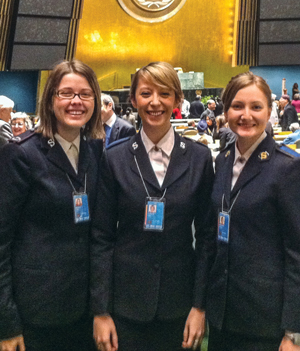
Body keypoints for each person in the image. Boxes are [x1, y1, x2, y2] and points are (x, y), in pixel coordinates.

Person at [91, 61, 215, 351]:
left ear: (177, 99)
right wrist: (101, 310)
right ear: (133, 100)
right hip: (126, 305)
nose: (155, 102)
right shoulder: (115, 158)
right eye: (146, 93)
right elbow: (101, 237)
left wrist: (200, 306)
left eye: (164, 93)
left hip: (181, 306)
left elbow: (208, 238)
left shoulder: (198, 158)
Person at [0, 60, 104, 351]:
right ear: (50, 99)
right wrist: (6, 322)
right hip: (37, 312)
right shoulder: (20, 155)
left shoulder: (96, 151)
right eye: (66, 93)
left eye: (85, 94)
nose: (76, 102)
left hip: (86, 310)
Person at [206, 72, 300, 351]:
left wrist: (293, 330)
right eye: (237, 106)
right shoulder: (222, 161)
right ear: (226, 111)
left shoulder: (287, 168)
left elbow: (297, 253)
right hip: (223, 314)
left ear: (270, 112)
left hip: (265, 321)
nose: (246, 115)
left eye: (256, 107)